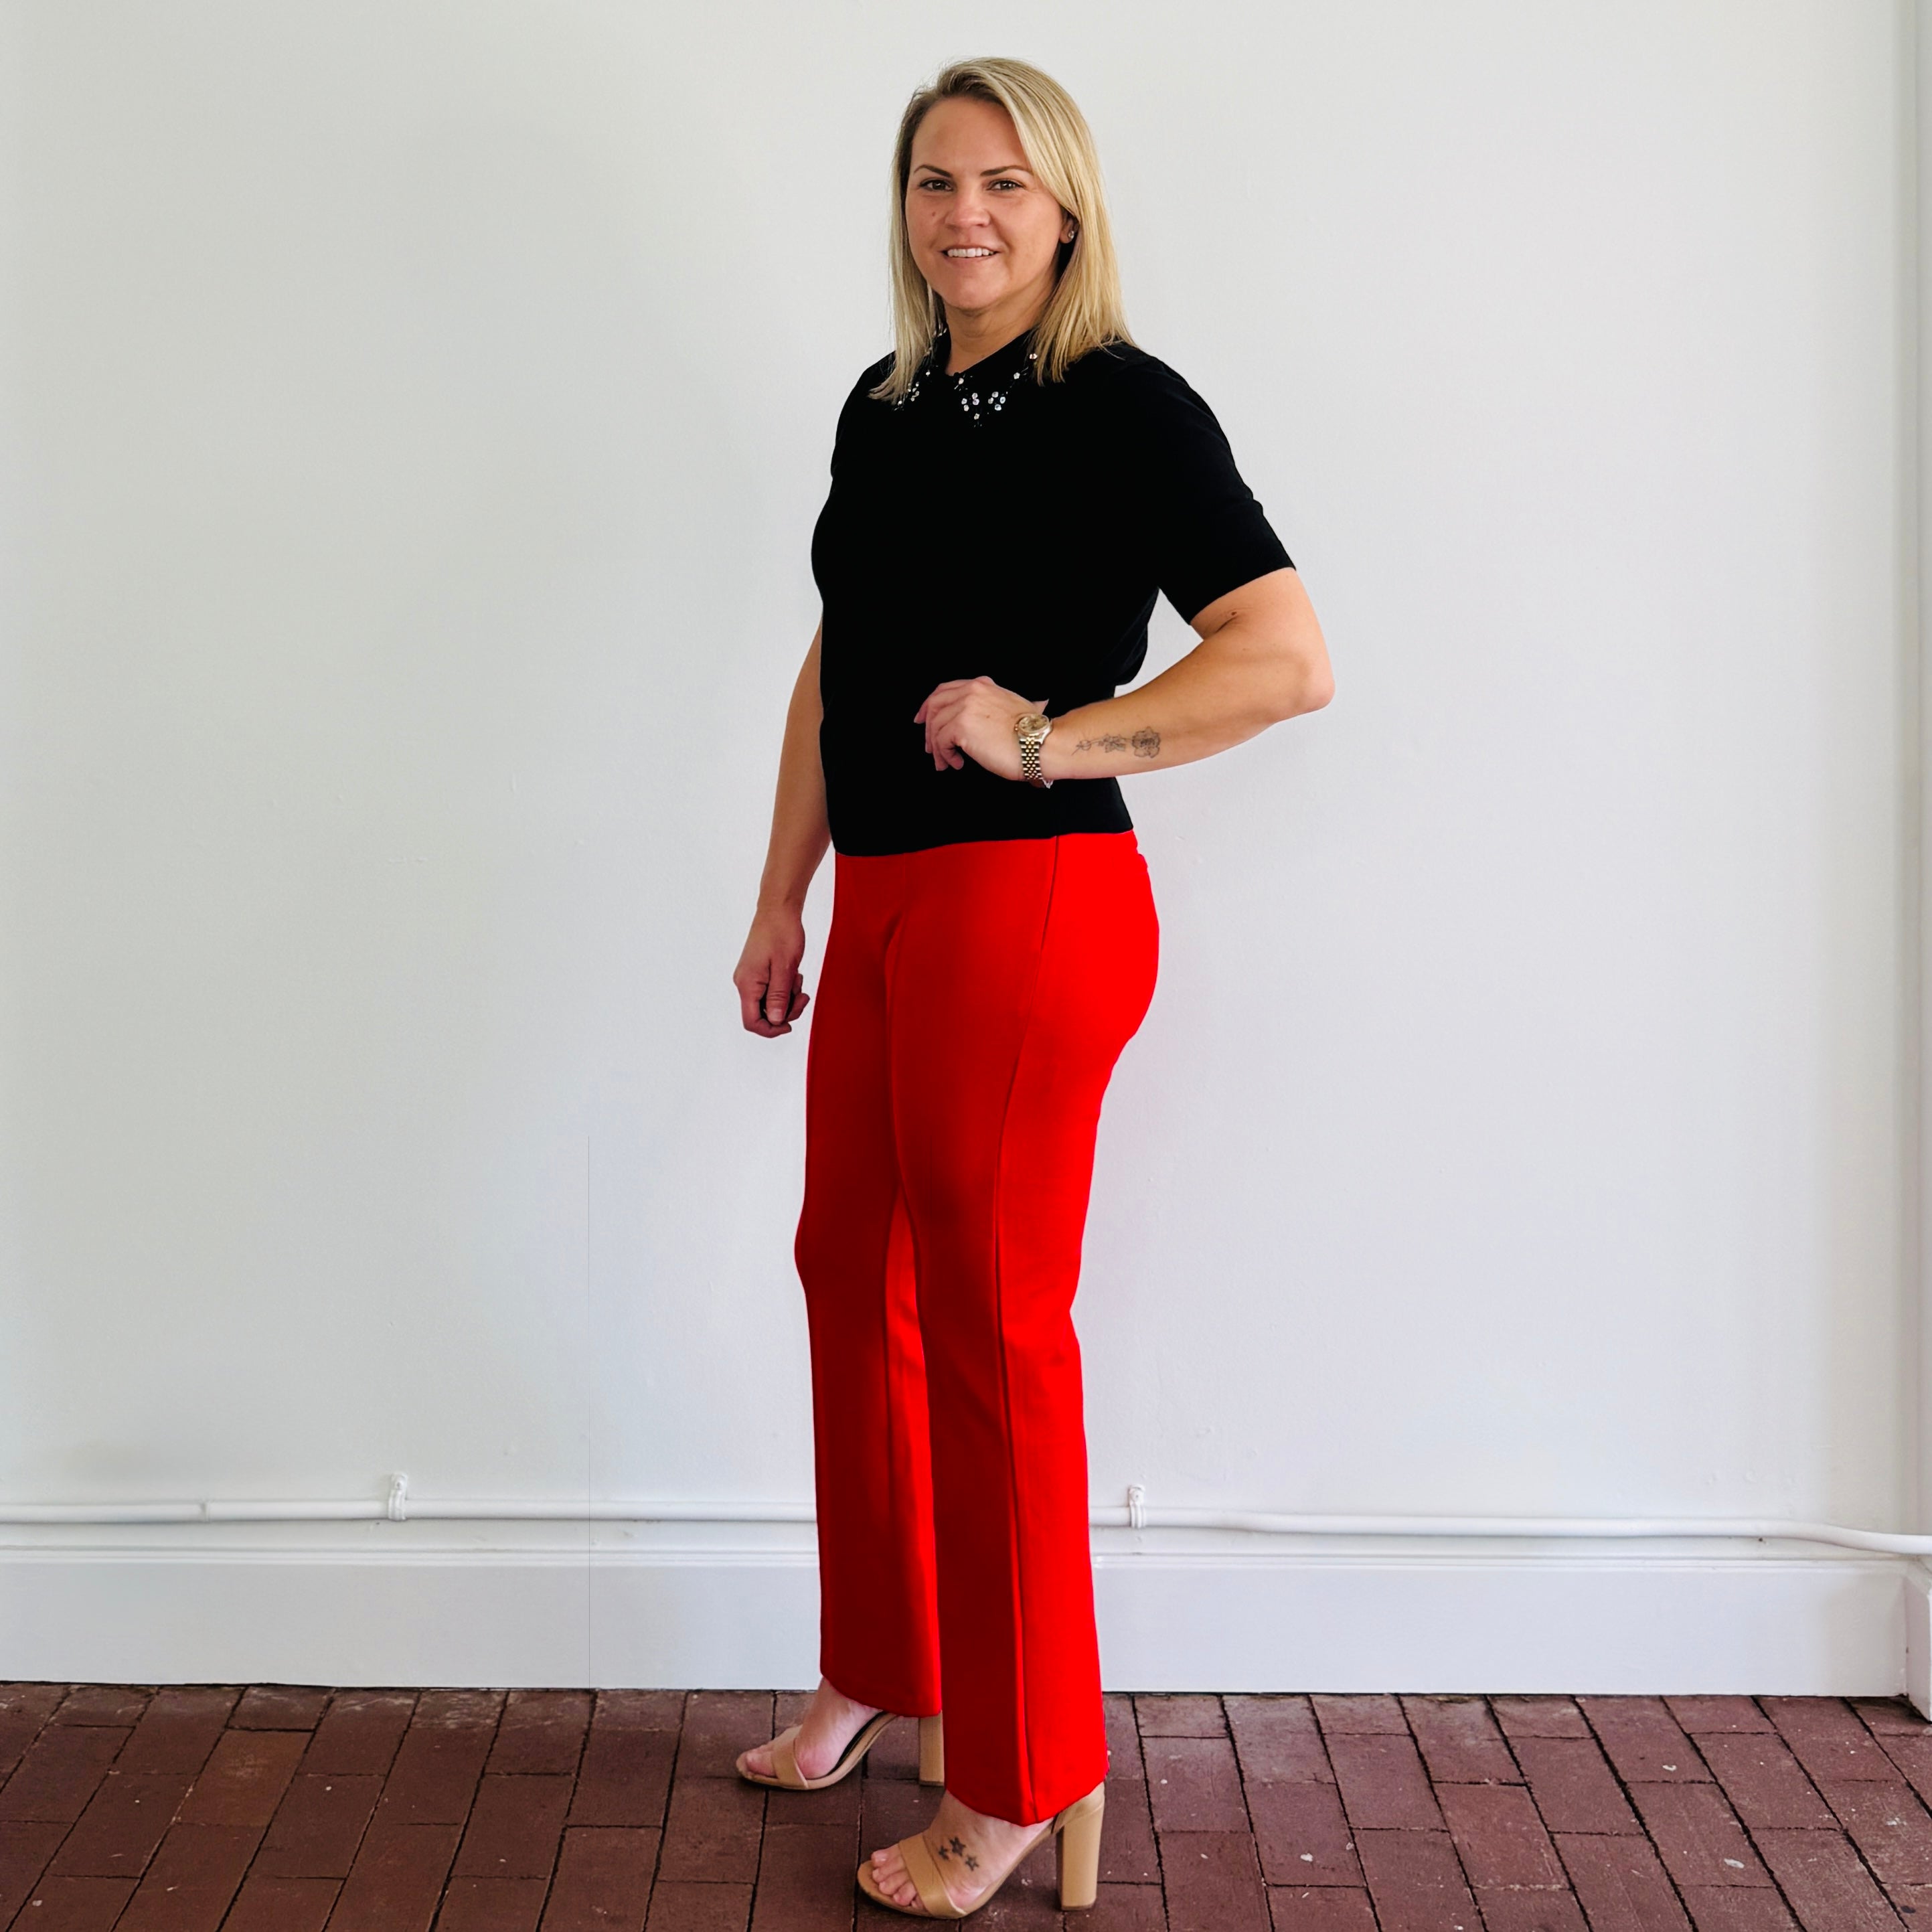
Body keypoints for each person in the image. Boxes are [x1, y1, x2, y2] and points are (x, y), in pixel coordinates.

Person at [730, 55, 1333, 1919]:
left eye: (1004, 182)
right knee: (850, 1270)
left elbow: (1284, 656)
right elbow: (842, 656)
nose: (965, 214)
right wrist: (782, 895)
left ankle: (1019, 1773)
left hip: (1033, 901)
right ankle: (882, 1664)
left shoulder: (1121, 403)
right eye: (935, 181)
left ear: (1065, 209)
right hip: (886, 901)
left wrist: (1053, 735)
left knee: (993, 1328)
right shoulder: (887, 402)